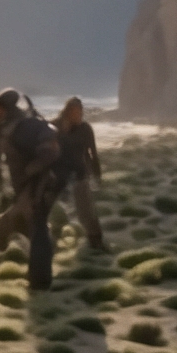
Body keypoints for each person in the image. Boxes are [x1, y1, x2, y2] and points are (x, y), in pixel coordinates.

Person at [0, 89, 63, 291]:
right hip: (24, 190)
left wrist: (32, 169)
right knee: (12, 222)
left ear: (6, 109)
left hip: (35, 189)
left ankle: (39, 283)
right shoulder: (12, 127)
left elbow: (50, 148)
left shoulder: (26, 127)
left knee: (37, 231)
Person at [56, 96, 107, 252]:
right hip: (59, 175)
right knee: (52, 211)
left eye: (81, 112)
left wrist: (97, 176)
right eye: (75, 112)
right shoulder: (55, 126)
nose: (79, 115)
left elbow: (93, 154)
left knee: (86, 211)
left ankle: (96, 242)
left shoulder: (85, 129)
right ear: (67, 112)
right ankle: (51, 242)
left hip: (80, 174)